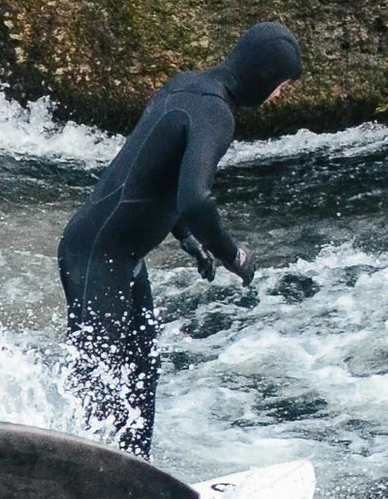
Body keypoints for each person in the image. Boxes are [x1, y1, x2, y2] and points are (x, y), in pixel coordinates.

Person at [57, 26, 302, 452]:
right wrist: (232, 254)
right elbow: (195, 199)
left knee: (138, 383)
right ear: (262, 77)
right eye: (280, 84)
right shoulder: (216, 113)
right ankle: (69, 483)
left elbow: (150, 171)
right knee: (101, 389)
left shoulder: (186, 86)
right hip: (97, 256)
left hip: (120, 256)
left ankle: (135, 483)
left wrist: (187, 238)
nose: (279, 94)